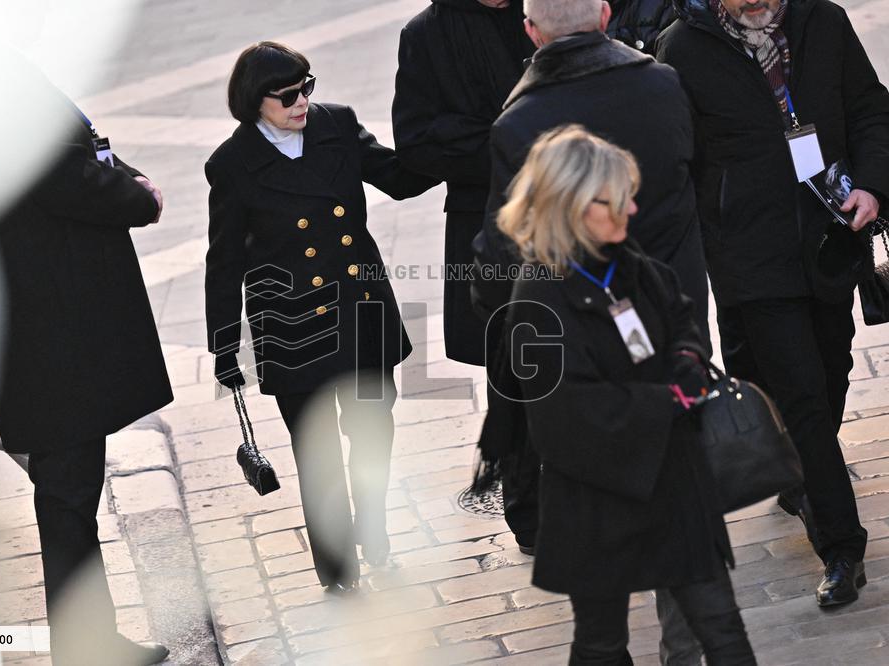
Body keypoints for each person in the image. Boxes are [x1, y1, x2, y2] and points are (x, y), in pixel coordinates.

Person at [0, 40, 172, 666]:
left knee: (68, 494)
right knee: (67, 497)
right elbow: (62, 177)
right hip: (53, 329)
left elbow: (77, 152)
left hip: (47, 320)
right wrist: (138, 197)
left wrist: (122, 173)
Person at [488, 125, 756, 665]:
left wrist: (687, 359)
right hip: (595, 501)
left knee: (723, 631)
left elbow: (680, 315)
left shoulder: (625, 260)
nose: (633, 209)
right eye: (620, 199)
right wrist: (670, 401)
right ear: (575, 204)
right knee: (602, 644)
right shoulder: (537, 298)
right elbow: (562, 416)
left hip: (673, 485)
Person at [657, 0, 889, 607]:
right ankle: (841, 547)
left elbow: (870, 109)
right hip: (750, 254)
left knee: (831, 371)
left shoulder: (824, 21)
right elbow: (676, 161)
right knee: (804, 398)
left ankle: (802, 471)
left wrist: (871, 185)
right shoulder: (682, 47)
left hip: (830, 235)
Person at [205, 42, 436, 594]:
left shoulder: (337, 125)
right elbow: (225, 257)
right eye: (287, 96)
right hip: (291, 324)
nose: (302, 102)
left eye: (308, 86)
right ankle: (338, 570)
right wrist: (222, 343)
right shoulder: (232, 164)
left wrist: (443, 138)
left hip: (360, 308)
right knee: (319, 451)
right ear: (254, 101)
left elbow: (398, 178)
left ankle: (373, 528)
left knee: (373, 432)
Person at [392, 0, 541, 554]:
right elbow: (418, 142)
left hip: (569, 209)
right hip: (487, 223)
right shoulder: (427, 33)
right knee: (514, 367)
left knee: (585, 353)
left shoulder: (545, 9)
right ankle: (529, 511)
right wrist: (513, 143)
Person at [474, 0, 709, 346]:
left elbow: (504, 245)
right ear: (604, 14)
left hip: (583, 326)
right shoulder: (663, 84)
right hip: (677, 304)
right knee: (686, 395)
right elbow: (699, 172)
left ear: (532, 32)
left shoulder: (517, 124)